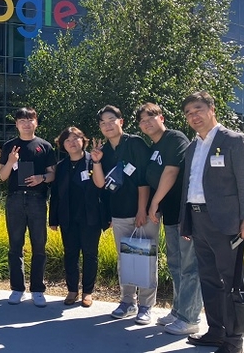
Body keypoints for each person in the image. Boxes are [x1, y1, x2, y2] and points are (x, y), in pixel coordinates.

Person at [179, 91, 244, 353]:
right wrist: (187, 221)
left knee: (232, 281)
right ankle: (216, 331)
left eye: (198, 109)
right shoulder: (192, 147)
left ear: (212, 109)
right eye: (189, 113)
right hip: (198, 220)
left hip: (226, 224)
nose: (194, 116)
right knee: (209, 280)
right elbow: (189, 186)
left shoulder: (234, 140)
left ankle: (234, 341)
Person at [137, 103, 203, 335]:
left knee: (189, 266)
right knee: (175, 264)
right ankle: (178, 311)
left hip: (186, 213)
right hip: (171, 215)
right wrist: (156, 205)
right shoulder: (154, 147)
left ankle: (190, 317)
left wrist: (154, 202)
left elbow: (171, 171)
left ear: (161, 118)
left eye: (150, 118)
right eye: (142, 120)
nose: (146, 123)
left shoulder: (175, 138)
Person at [91, 105, 157, 324]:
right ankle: (127, 302)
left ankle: (146, 306)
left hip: (142, 212)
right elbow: (100, 184)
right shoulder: (104, 151)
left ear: (121, 121)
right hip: (119, 213)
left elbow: (144, 179)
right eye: (103, 122)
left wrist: (142, 210)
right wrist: (96, 161)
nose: (107, 125)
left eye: (111, 120)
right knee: (125, 259)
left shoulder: (134, 143)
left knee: (146, 258)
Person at [0, 107, 56, 307]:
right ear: (16, 124)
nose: (26, 124)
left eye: (29, 120)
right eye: (22, 120)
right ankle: (17, 288)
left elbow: (53, 174)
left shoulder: (45, 146)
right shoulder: (9, 146)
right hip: (15, 199)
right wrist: (11, 161)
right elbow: (2, 176)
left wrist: (42, 178)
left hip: (37, 200)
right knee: (15, 245)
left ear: (36, 122)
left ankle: (37, 289)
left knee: (39, 244)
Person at [49, 127, 108, 308]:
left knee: (90, 254)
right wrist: (53, 219)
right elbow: (56, 194)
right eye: (67, 140)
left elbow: (103, 190)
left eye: (76, 138)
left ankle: (88, 292)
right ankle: (72, 290)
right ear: (62, 145)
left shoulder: (93, 161)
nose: (72, 143)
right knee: (70, 254)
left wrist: (108, 217)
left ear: (83, 141)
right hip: (68, 217)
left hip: (90, 217)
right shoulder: (61, 166)